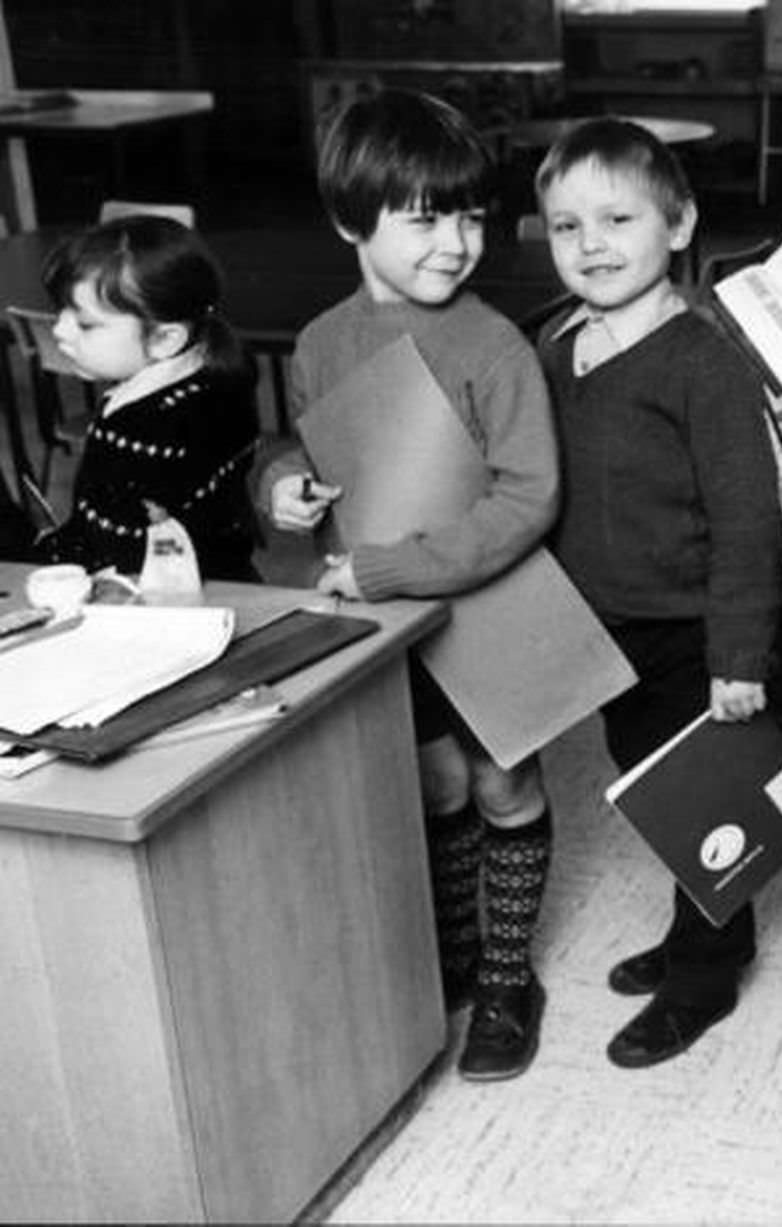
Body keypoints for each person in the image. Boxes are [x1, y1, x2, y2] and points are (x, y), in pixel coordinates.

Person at [258, 89, 560, 1081]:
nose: (456, 242)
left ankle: (510, 976)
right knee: (434, 786)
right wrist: (282, 488)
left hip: (491, 608)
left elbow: (529, 501)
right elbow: (300, 449)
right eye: (425, 217)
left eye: (471, 215)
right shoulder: (317, 343)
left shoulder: (494, 346)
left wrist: (391, 567)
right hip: (390, 623)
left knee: (502, 783)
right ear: (353, 220)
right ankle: (460, 958)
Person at [531, 118, 782, 1070]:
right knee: (654, 796)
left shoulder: (704, 362)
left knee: (705, 806)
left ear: (679, 225)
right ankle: (701, 930)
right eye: (567, 227)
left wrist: (739, 657)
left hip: (693, 633)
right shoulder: (559, 344)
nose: (591, 244)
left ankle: (707, 970)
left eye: (617, 218)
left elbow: (746, 523)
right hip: (607, 627)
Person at [37, 215, 258, 582]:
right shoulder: (220, 375)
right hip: (228, 582)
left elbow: (107, 546)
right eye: (60, 312)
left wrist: (42, 559)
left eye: (85, 323)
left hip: (154, 604)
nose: (59, 330)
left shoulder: (136, 428)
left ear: (164, 339)